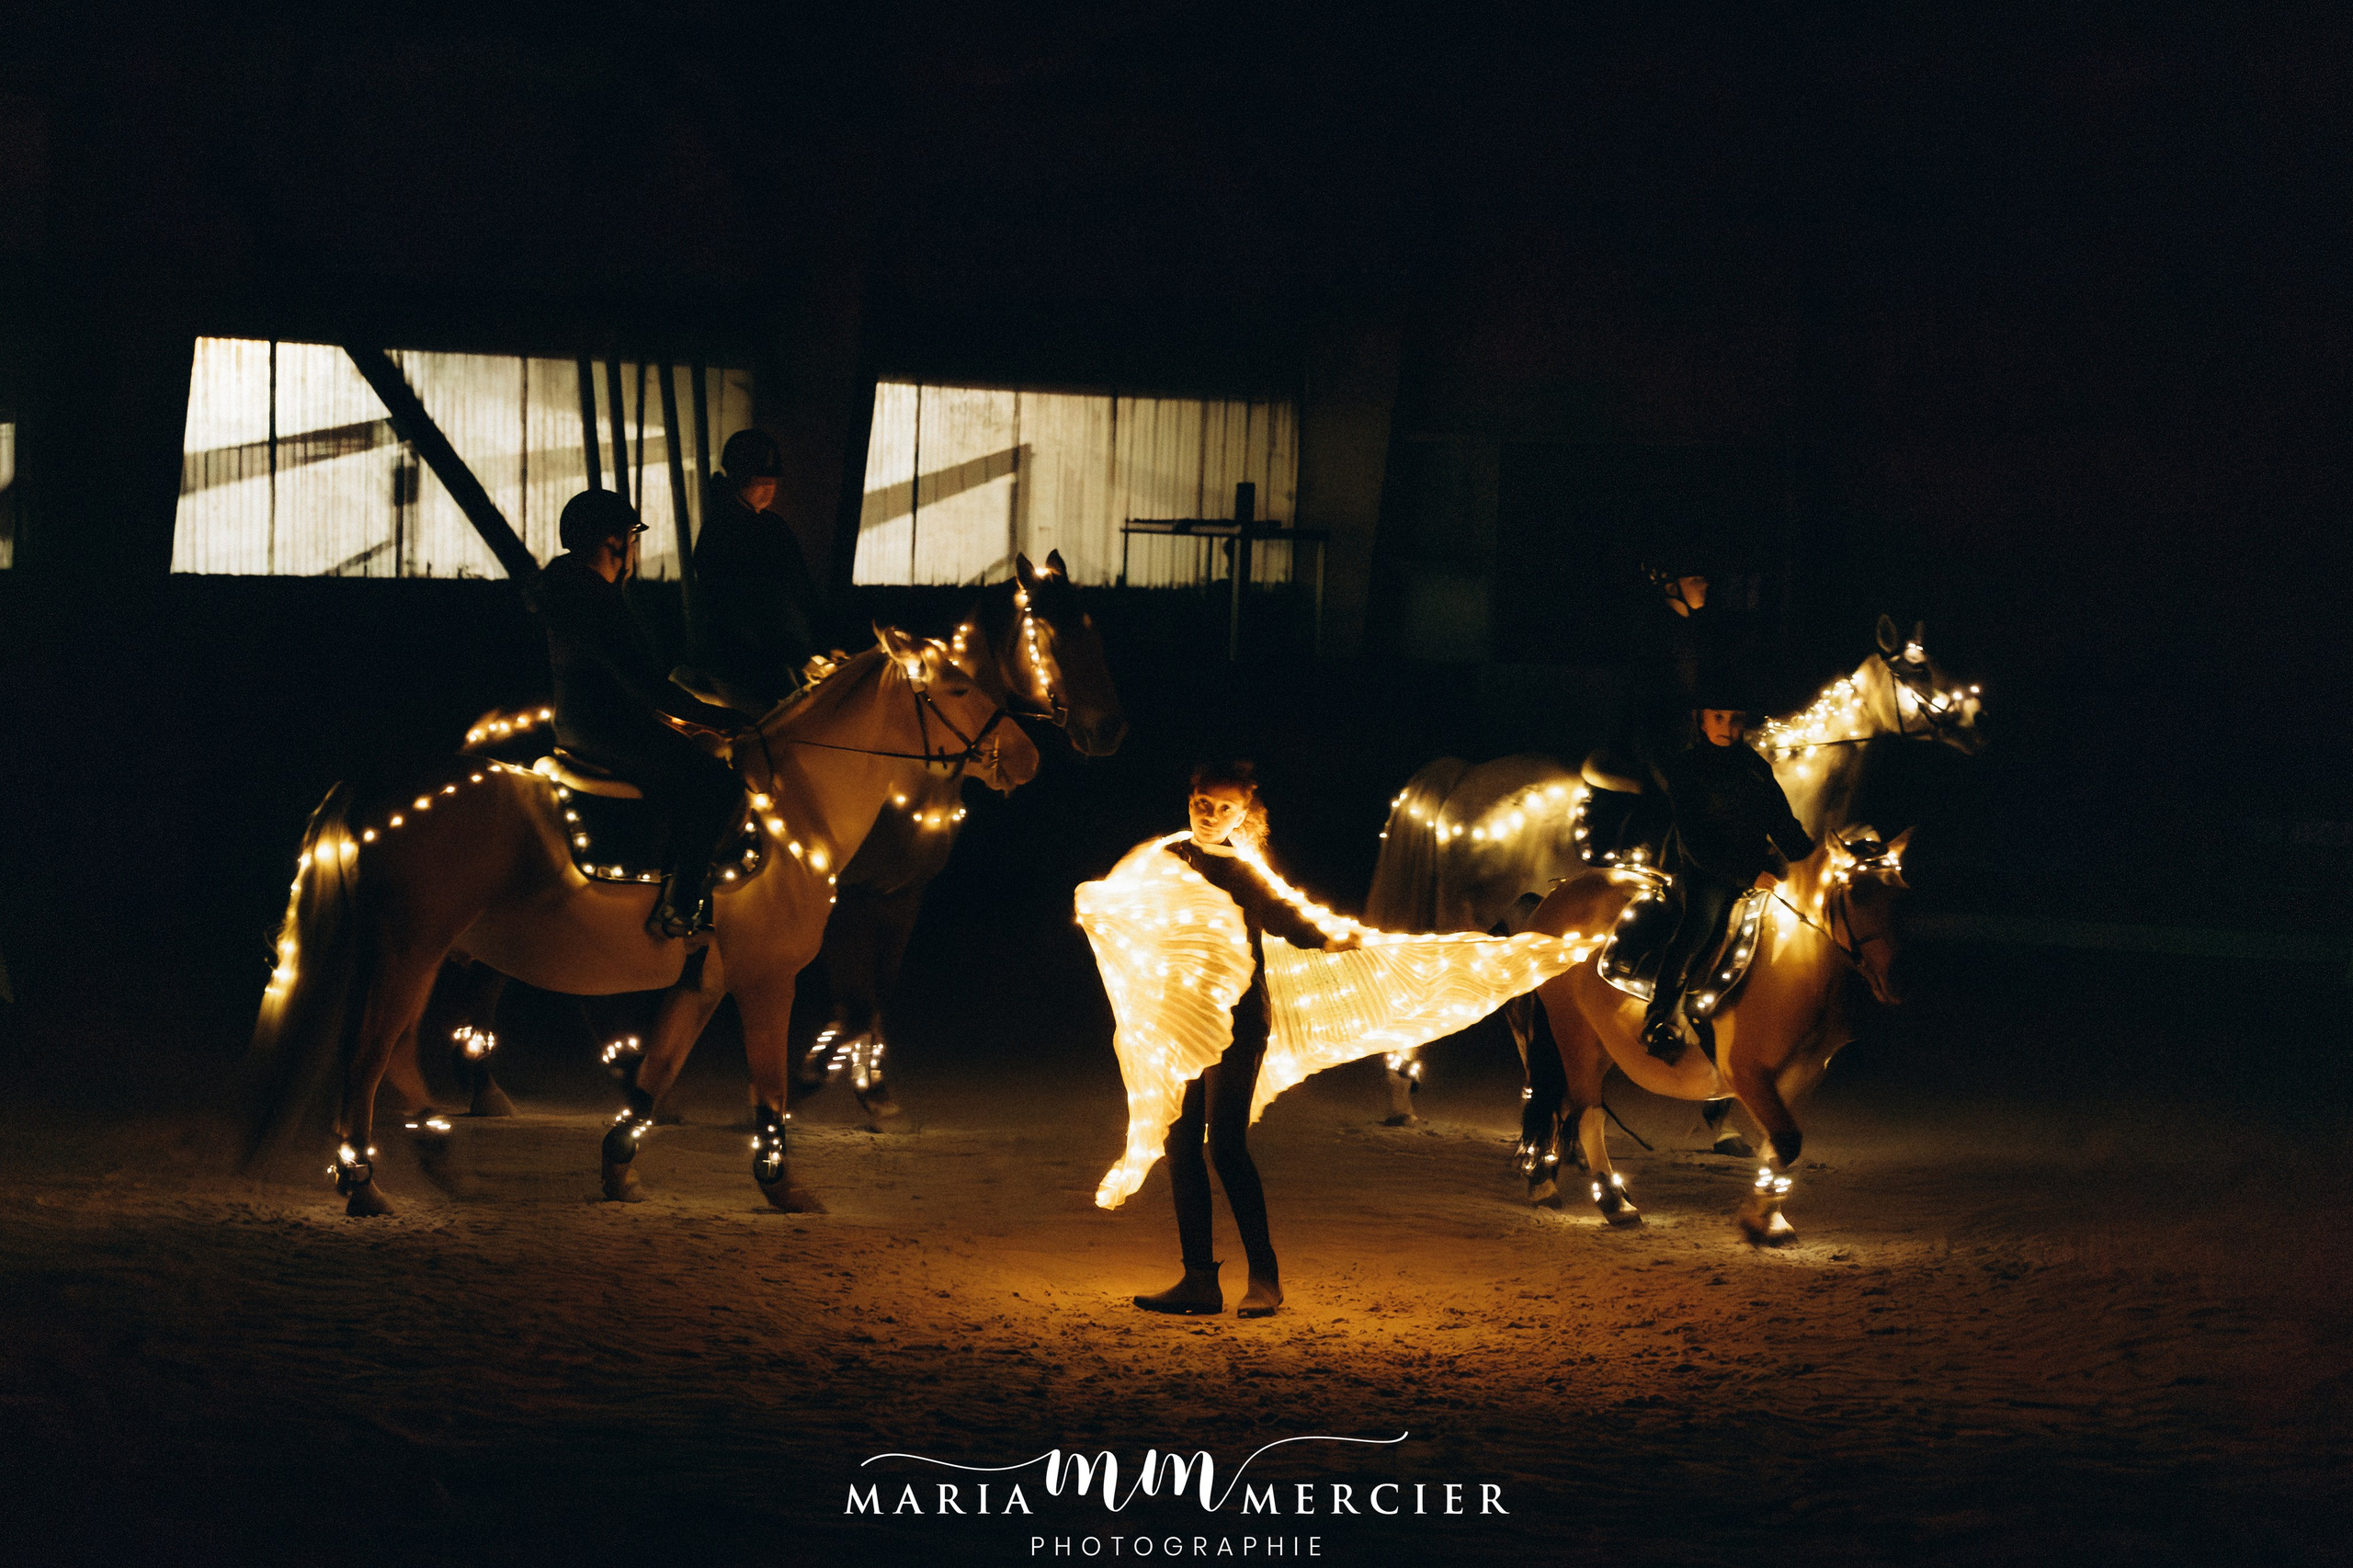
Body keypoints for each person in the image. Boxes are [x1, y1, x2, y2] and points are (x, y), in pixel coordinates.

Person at [1134, 761, 1359, 1320]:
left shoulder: (1247, 870)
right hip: (1180, 1021)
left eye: (1224, 808)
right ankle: (1198, 1280)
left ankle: (1266, 1279)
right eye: (1202, 805)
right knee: (1179, 1144)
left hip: (1236, 1024)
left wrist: (1334, 938)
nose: (1211, 816)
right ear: (1190, 801)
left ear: (1244, 813)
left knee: (1225, 1146)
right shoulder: (1165, 860)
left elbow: (1287, 918)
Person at [539, 488, 750, 938]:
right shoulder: (594, 600)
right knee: (722, 786)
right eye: (632, 539)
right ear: (614, 543)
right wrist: (718, 719)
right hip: (611, 730)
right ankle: (682, 903)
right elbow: (645, 686)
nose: (635, 551)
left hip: (583, 725)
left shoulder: (573, 591)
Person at [1640, 672, 1814, 1063]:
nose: (1728, 727)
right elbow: (1699, 844)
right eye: (1718, 718)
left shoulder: (1755, 767)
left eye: (1735, 719)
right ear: (1701, 720)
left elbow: (1782, 822)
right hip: (1707, 874)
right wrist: (1748, 874)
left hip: (1758, 867)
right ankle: (1660, 1014)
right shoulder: (1687, 770)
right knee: (1700, 926)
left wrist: (1812, 858)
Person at [1581, 552, 1722, 862]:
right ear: (1672, 587)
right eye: (1696, 579)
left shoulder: (1689, 630)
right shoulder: (1655, 631)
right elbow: (1652, 707)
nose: (1705, 584)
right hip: (1652, 744)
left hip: (1683, 739)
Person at [687, 427, 827, 711]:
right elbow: (743, 610)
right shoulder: (721, 535)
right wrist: (797, 655)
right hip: (742, 664)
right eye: (760, 482)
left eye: (772, 481)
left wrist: (821, 640)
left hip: (784, 653)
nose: (769, 489)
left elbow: (799, 591)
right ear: (739, 481)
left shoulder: (773, 528)